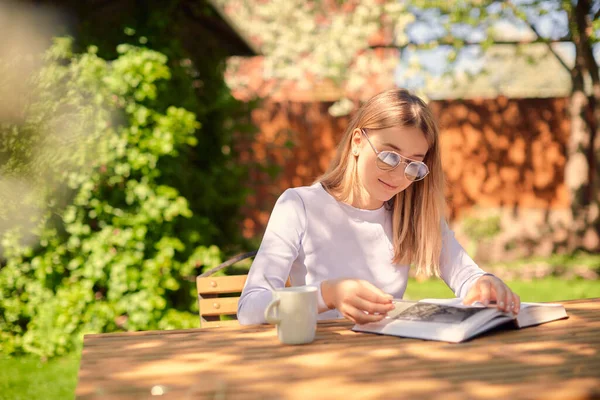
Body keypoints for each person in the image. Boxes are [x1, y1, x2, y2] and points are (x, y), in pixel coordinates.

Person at [237, 88, 520, 325]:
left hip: (390, 359)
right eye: (389, 155)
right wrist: (327, 295)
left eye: (414, 164)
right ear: (357, 142)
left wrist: (485, 283)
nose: (399, 175)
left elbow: (467, 276)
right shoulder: (299, 205)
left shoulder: (412, 213)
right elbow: (250, 308)